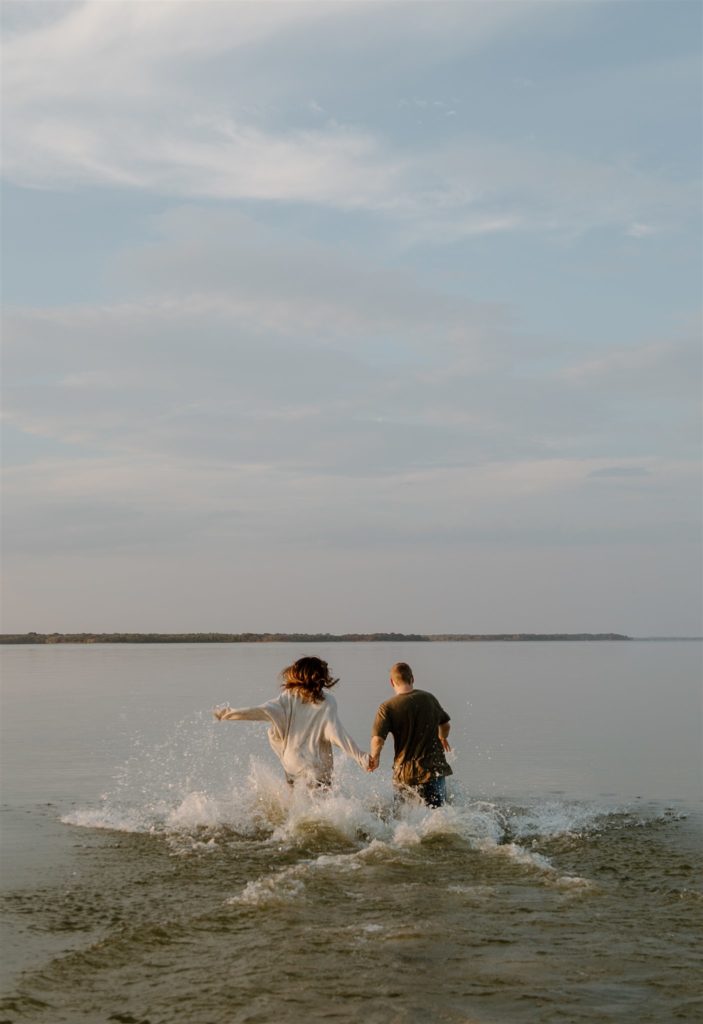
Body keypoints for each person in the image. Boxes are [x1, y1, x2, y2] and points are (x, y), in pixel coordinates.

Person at [213, 656, 369, 789]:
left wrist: (229, 714)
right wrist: (362, 758)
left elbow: (262, 711)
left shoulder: (287, 697)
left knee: (295, 807)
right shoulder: (327, 702)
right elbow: (337, 733)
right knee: (321, 806)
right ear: (321, 679)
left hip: (293, 763)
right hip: (318, 767)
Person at [368, 661, 452, 807]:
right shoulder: (429, 699)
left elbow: (377, 740)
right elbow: (445, 725)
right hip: (433, 770)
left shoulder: (387, 707)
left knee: (403, 820)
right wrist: (442, 737)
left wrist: (375, 757)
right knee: (440, 816)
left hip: (405, 773)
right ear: (412, 678)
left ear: (391, 682)